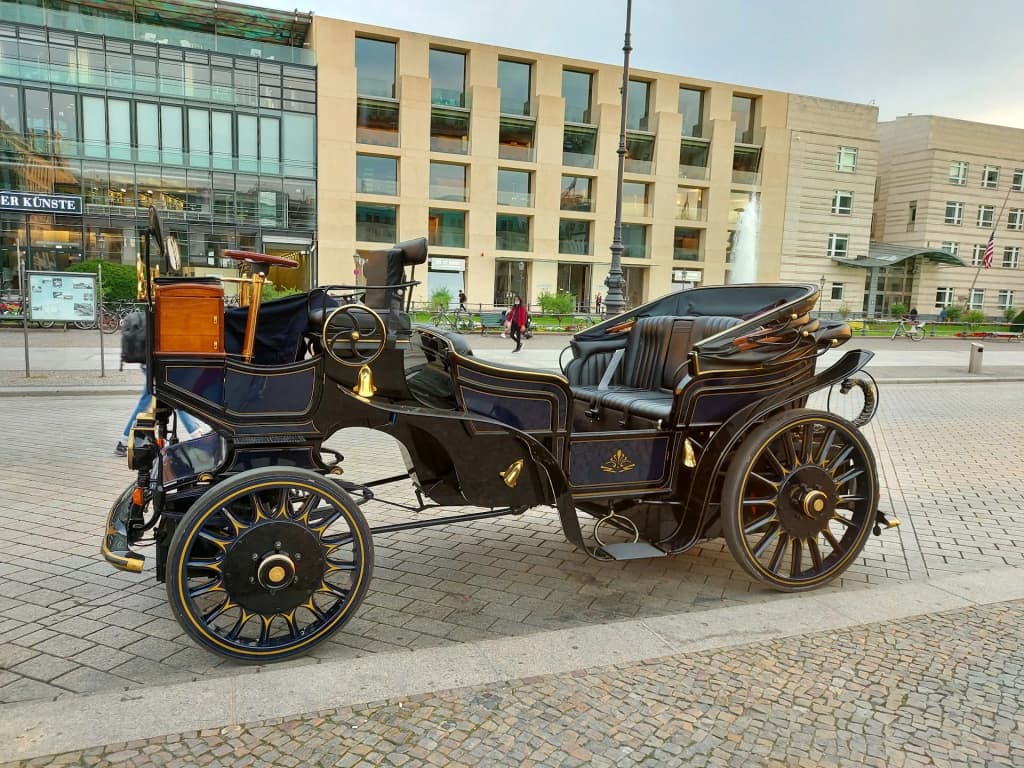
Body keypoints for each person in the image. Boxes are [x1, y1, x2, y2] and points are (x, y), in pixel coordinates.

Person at [115, 366, 202, 456]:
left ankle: (124, 441)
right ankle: (197, 435)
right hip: (157, 364)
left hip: (155, 363)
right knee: (177, 397)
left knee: (147, 402)